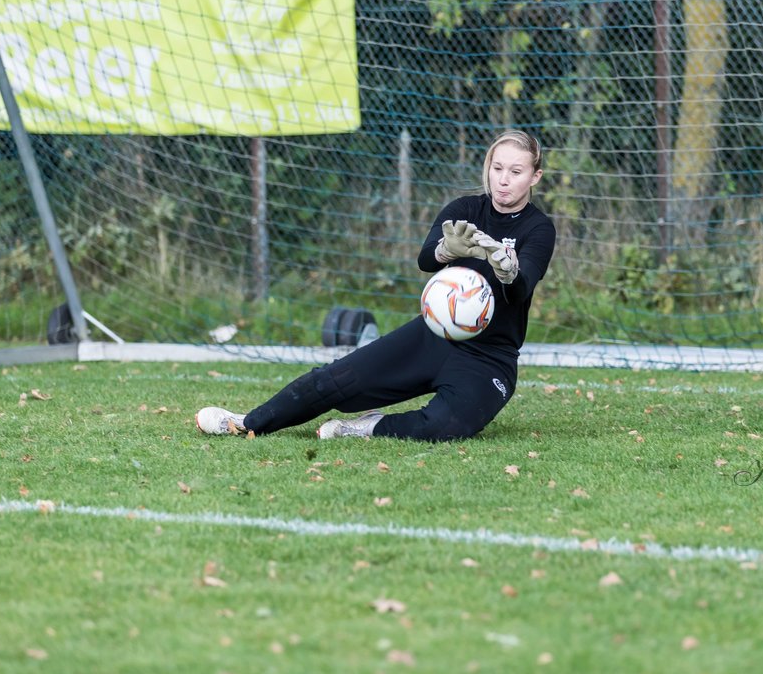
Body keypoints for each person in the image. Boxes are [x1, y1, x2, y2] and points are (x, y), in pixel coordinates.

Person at [195, 130, 556, 442]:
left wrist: (508, 271)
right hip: (432, 336)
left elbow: (522, 289)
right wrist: (448, 250)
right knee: (334, 379)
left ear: (534, 176)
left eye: (516, 171)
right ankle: (246, 422)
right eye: (497, 168)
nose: (503, 179)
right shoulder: (464, 208)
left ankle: (367, 428)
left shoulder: (538, 228)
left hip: (489, 357)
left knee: (449, 424)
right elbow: (426, 260)